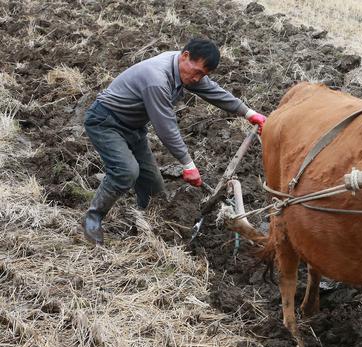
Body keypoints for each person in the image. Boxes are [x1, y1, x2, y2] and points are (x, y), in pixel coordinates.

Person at [81, 38, 266, 245]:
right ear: (185, 56)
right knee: (126, 171)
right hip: (106, 122)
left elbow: (213, 91)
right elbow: (165, 126)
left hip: (133, 128)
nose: (198, 79)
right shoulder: (156, 79)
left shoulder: (183, 68)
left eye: (203, 75)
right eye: (197, 72)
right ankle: (93, 217)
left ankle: (148, 227)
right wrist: (188, 164)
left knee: (154, 189)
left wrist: (249, 113)